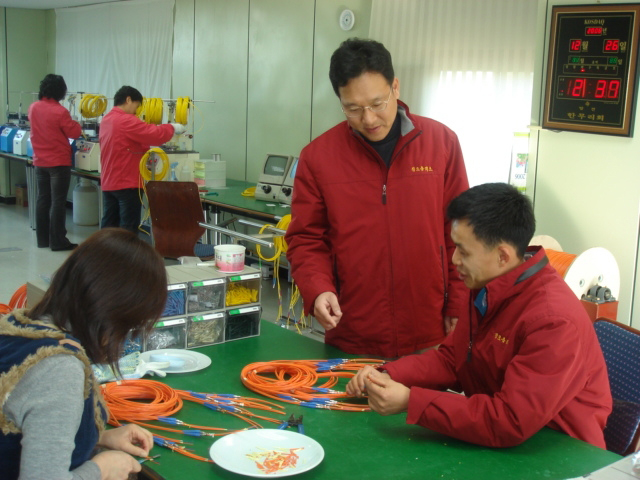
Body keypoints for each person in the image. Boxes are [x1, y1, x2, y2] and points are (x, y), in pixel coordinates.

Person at [346, 183, 612, 448]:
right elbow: (453, 359)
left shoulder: (553, 321)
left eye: (464, 251)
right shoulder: (489, 286)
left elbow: (510, 420)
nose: (454, 260)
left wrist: (411, 401)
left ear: (502, 256)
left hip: (560, 453)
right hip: (499, 439)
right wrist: (389, 375)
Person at [285, 38, 469, 358]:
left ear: (395, 87)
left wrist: (459, 300)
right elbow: (306, 238)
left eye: (377, 103)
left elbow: (462, 232)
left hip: (429, 328)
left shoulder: (442, 144)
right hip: (353, 332)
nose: (369, 119)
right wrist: (318, 291)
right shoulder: (318, 158)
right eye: (353, 109)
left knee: (422, 408)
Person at [0, 228, 168, 479]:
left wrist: (101, 437)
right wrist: (102, 468)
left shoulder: (20, 327)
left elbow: (33, 424)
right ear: (113, 313)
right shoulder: (59, 368)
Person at [99, 85, 185, 234]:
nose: (136, 111)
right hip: (126, 183)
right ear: (128, 99)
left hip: (109, 182)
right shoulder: (125, 120)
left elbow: (130, 143)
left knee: (109, 225)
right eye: (137, 106)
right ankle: (127, 257)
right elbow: (153, 134)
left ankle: (103, 255)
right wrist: (172, 128)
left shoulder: (107, 119)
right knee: (128, 229)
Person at [28, 74, 82, 251]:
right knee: (58, 202)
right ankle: (58, 242)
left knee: (43, 200)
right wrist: (77, 123)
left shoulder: (33, 108)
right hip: (58, 163)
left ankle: (42, 240)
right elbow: (74, 133)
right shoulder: (60, 111)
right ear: (60, 91)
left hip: (40, 162)